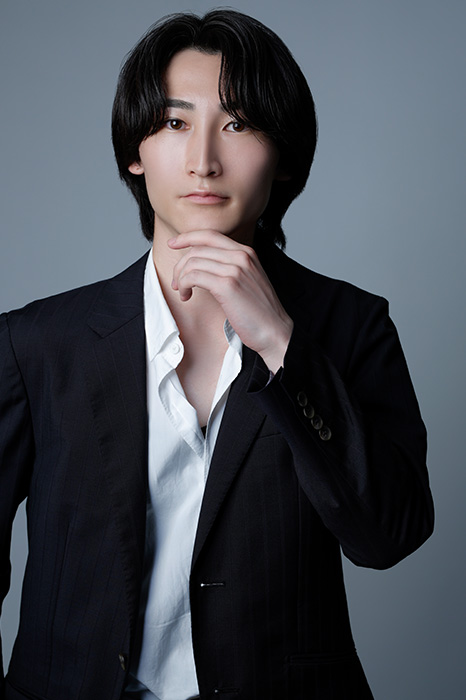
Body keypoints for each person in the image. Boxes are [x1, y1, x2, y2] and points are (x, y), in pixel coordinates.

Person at [0, 9, 434, 700]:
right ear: (135, 152)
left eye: (238, 124)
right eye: (175, 122)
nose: (203, 159)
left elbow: (388, 537)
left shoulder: (351, 327)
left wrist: (281, 344)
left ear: (282, 155)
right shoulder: (37, 344)